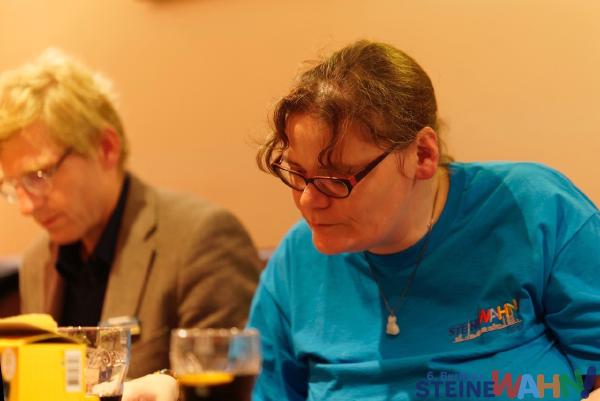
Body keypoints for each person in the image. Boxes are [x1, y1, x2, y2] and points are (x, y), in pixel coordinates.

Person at [245, 40, 600, 401]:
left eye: (336, 177)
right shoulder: (297, 260)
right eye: (297, 172)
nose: (308, 200)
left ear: (423, 154)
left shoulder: (532, 208)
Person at [0, 49, 261, 378]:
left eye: (38, 176)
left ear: (106, 148)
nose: (26, 206)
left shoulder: (201, 239)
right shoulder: (37, 262)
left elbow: (226, 386)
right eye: (13, 186)